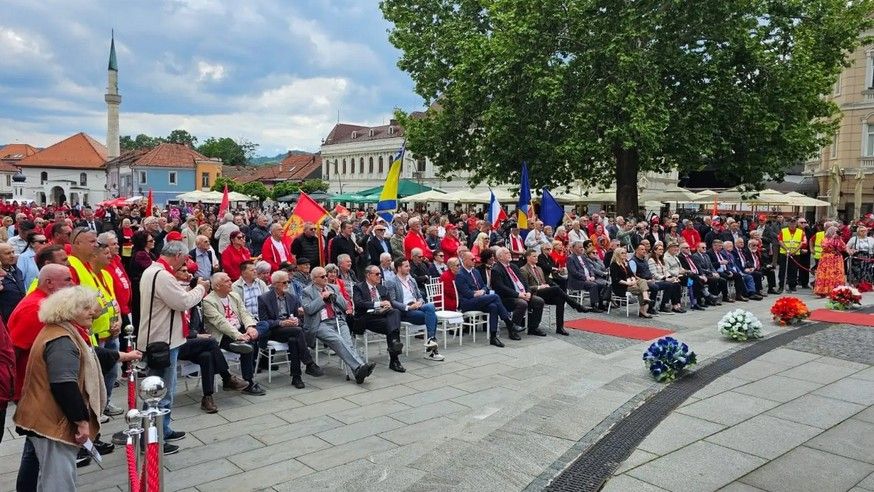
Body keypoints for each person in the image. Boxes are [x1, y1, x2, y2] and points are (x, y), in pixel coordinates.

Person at [13, 286, 139, 490]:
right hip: (52, 422)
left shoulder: (63, 331)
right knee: (59, 482)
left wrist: (122, 356)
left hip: (47, 419)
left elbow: (88, 353)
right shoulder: (61, 339)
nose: (93, 311)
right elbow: (64, 385)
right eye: (86, 307)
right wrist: (82, 422)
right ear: (69, 311)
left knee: (50, 477)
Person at [138, 241, 210, 454]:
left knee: (165, 388)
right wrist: (201, 288)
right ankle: (151, 438)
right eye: (185, 258)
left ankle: (164, 428)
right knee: (159, 391)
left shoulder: (155, 271)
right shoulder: (162, 275)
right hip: (163, 339)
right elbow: (183, 302)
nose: (186, 262)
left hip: (165, 337)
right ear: (178, 254)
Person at [175, 261, 249, 413]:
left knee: (207, 355)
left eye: (188, 272)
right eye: (183, 271)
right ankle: (227, 377)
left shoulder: (194, 303)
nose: (188, 275)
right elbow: (174, 328)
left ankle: (207, 397)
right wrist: (196, 335)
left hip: (195, 344)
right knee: (211, 342)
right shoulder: (175, 300)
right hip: (178, 343)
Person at [300, 267, 375, 384]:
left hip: (338, 320)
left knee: (348, 343)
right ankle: (360, 366)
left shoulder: (333, 287)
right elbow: (309, 309)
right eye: (322, 277)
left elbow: (345, 306)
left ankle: (358, 372)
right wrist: (322, 298)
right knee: (338, 339)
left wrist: (335, 297)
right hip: (320, 323)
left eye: (326, 275)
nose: (326, 278)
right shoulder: (307, 291)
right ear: (314, 279)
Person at [202, 272, 266, 396]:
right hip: (223, 335)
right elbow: (220, 323)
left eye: (230, 279)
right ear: (217, 286)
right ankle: (248, 382)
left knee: (263, 325)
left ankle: (246, 339)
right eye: (226, 281)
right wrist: (238, 335)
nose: (231, 282)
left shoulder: (234, 295)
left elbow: (244, 313)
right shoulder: (208, 301)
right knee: (248, 347)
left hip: (240, 329)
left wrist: (250, 327)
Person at [258, 270, 323, 388]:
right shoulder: (264, 299)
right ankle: (309, 363)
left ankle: (296, 377)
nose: (287, 285)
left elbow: (299, 318)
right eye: (284, 282)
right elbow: (264, 322)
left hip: (291, 330)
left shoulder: (292, 297)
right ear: (275, 284)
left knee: (294, 339)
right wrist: (281, 323)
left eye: (288, 282)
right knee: (297, 332)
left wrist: (297, 320)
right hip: (274, 330)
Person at [455, 251, 520, 346]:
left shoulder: (475, 271)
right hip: (467, 303)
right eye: (472, 259)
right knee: (495, 296)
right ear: (464, 260)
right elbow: (466, 293)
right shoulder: (460, 275)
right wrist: (479, 293)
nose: (474, 261)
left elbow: (484, 286)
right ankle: (508, 322)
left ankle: (493, 337)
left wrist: (482, 291)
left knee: (493, 306)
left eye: (474, 259)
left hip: (480, 299)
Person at [520, 249, 587, 336]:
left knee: (560, 299)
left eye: (537, 256)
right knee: (556, 289)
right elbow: (525, 287)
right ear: (528, 257)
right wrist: (540, 287)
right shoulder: (523, 269)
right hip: (534, 293)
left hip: (544, 292)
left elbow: (545, 280)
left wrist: (546, 285)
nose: (537, 258)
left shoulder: (539, 268)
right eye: (534, 256)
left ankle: (560, 327)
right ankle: (576, 305)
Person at [353, 266, 406, 372]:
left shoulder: (382, 288)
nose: (380, 276)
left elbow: (390, 303)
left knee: (395, 312)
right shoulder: (358, 287)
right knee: (392, 326)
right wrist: (378, 304)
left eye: (380, 274)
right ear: (368, 275)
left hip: (382, 315)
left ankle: (395, 347)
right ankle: (395, 359)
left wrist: (387, 306)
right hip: (367, 318)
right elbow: (359, 304)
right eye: (377, 274)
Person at [389, 258, 444, 361]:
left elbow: (420, 296)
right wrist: (408, 307)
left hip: (417, 306)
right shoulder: (392, 282)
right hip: (405, 310)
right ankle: (432, 349)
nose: (409, 268)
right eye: (406, 266)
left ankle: (431, 340)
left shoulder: (411, 280)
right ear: (399, 268)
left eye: (409, 266)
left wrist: (419, 302)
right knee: (433, 317)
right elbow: (392, 301)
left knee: (430, 306)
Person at [491, 247, 547, 337]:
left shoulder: (513, 266)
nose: (509, 254)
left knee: (539, 301)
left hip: (522, 294)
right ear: (500, 257)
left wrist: (528, 292)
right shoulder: (496, 269)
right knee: (522, 303)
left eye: (509, 252)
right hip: (507, 298)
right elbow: (501, 288)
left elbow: (524, 281)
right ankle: (512, 330)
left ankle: (533, 328)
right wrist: (518, 295)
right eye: (506, 253)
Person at [609, 248, 652, 318]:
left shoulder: (625, 263)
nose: (625, 254)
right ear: (617, 254)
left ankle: (645, 298)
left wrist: (633, 280)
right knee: (643, 290)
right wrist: (628, 283)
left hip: (630, 284)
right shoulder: (614, 265)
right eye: (622, 253)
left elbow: (631, 274)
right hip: (621, 287)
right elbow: (616, 279)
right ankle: (643, 310)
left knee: (643, 281)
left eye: (625, 253)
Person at [567, 241, 608, 312]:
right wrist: (585, 278)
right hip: (577, 281)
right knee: (593, 285)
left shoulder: (583, 257)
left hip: (588, 278)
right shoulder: (570, 258)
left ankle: (600, 304)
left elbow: (590, 268)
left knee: (602, 284)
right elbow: (574, 272)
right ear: (573, 248)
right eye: (579, 247)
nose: (582, 249)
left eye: (582, 247)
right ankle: (593, 306)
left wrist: (592, 276)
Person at [647, 243, 686, 313]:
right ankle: (664, 305)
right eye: (659, 249)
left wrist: (671, 277)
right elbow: (654, 274)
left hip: (663, 279)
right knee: (669, 285)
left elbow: (666, 271)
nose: (661, 251)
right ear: (655, 251)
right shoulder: (651, 260)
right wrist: (665, 279)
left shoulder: (661, 260)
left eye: (662, 249)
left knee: (676, 283)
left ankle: (676, 305)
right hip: (656, 280)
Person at [777, 217, 807, 293]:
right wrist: (786, 249)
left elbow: (801, 242)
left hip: (795, 254)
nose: (792, 224)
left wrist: (795, 250)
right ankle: (781, 286)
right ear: (788, 223)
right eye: (791, 223)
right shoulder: (783, 231)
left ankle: (792, 286)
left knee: (793, 270)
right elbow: (780, 241)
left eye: (794, 223)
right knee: (783, 270)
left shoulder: (800, 232)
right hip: (784, 253)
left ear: (796, 224)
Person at [814, 226, 847, 296]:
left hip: (837, 259)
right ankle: (825, 290)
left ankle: (837, 290)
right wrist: (833, 238)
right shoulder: (824, 239)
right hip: (827, 259)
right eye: (834, 232)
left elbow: (843, 247)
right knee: (827, 273)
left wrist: (839, 239)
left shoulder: (839, 239)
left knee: (837, 274)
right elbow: (825, 246)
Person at [0, 242, 25, 322]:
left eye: (13, 252)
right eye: (7, 253)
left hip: (20, 315)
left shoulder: (17, 271)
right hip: (6, 319)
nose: (12, 256)